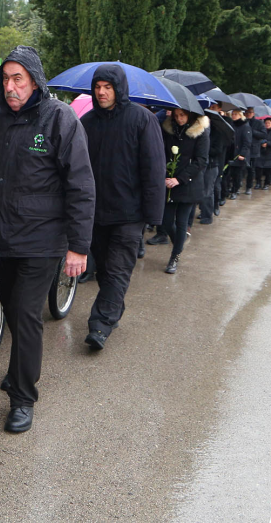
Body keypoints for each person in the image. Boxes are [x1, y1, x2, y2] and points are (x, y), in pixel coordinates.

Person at [0, 46, 95, 431]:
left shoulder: (60, 120)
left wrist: (78, 246)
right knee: (10, 304)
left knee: (25, 314)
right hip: (4, 237)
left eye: (17, 78)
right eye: (5, 79)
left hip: (43, 240)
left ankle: (23, 398)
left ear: (35, 79)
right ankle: (19, 370)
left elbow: (80, 185)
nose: (10, 87)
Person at [78, 65, 165, 351]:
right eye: (98, 87)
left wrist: (153, 215)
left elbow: (154, 169)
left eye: (108, 87)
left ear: (119, 88)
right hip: (97, 213)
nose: (101, 92)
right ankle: (114, 309)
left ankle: (99, 326)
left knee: (116, 270)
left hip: (129, 214)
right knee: (104, 270)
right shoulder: (87, 122)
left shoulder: (142, 119)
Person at [160, 107, 210, 274]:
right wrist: (166, 175)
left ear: (190, 114)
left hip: (188, 184)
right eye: (176, 115)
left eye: (182, 115)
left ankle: (174, 257)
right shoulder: (168, 129)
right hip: (169, 182)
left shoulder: (200, 132)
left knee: (182, 221)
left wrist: (179, 179)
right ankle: (179, 245)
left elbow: (201, 160)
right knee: (166, 221)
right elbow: (162, 153)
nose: (179, 119)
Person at [225, 109, 251, 200]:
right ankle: (227, 190)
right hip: (230, 152)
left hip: (238, 154)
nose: (234, 116)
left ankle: (234, 191)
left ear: (240, 115)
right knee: (227, 174)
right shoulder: (231, 124)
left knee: (237, 174)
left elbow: (247, 142)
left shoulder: (245, 126)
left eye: (236, 114)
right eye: (233, 114)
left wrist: (242, 154)